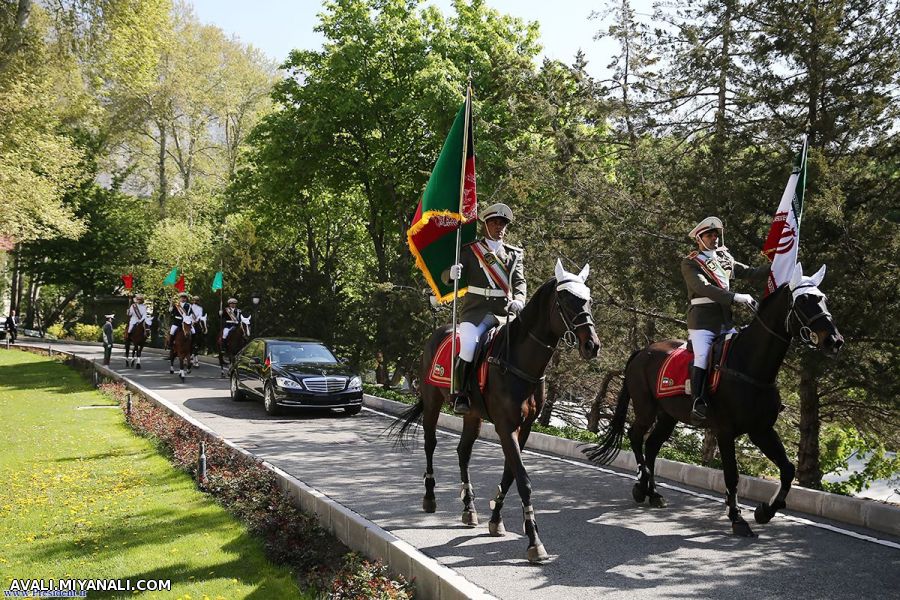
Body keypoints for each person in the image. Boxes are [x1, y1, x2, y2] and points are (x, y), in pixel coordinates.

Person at [682, 216, 769, 422]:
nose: (714, 239)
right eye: (709, 235)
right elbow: (704, 288)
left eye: (716, 235)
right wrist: (735, 297)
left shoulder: (724, 259)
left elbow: (751, 272)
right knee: (703, 356)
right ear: (699, 239)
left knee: (742, 353)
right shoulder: (691, 262)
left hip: (724, 321)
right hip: (702, 322)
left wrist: (778, 265)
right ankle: (698, 401)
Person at [445, 202, 526, 415]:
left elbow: (519, 282)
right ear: (486, 224)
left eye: (503, 224)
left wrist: (519, 298)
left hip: (503, 314)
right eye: (495, 223)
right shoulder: (471, 251)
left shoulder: (514, 254)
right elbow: (446, 277)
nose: (499, 227)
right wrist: (451, 274)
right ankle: (461, 394)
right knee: (469, 347)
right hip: (475, 312)